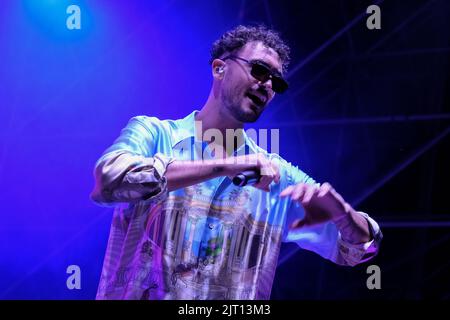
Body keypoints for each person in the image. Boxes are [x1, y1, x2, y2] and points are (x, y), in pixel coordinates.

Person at [90, 25, 382, 300]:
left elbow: (358, 250)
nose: (267, 84)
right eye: (259, 70)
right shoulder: (154, 133)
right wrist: (226, 165)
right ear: (219, 68)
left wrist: (345, 215)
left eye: (276, 82)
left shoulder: (278, 176)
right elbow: (108, 181)